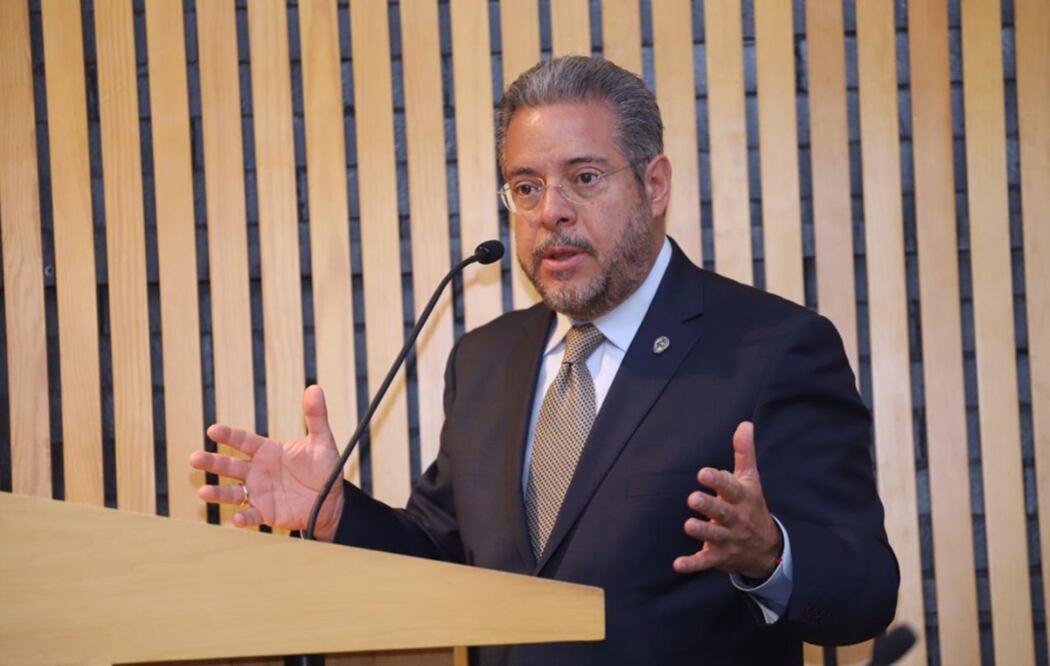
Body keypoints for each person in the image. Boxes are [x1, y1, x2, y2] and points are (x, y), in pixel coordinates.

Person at [191, 56, 898, 665]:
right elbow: (444, 559)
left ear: (653, 186)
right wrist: (337, 511)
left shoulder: (771, 348)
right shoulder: (486, 361)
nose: (550, 211)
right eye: (526, 187)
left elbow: (864, 591)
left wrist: (770, 553)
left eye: (583, 178)